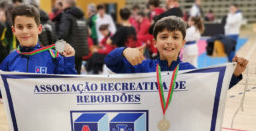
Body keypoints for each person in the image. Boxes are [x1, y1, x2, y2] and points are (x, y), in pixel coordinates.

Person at [0, 4, 77, 131]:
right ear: (14, 30)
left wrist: (68, 60)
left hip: (49, 127)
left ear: (39, 28)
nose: (25, 31)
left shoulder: (52, 55)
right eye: (20, 27)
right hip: (19, 128)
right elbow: (0, 92)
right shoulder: (10, 60)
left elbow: (68, 87)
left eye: (29, 26)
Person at [104, 16, 248, 89]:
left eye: (175, 37)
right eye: (164, 37)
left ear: (182, 43)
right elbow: (110, 62)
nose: (169, 42)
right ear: (155, 42)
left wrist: (235, 75)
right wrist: (123, 51)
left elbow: (213, 90)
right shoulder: (141, 66)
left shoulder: (189, 72)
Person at [57, 0, 89, 74]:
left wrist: (57, 44)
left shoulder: (67, 15)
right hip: (82, 49)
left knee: (69, 74)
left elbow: (63, 33)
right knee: (77, 73)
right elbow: (87, 32)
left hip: (70, 50)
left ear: (67, 4)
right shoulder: (82, 16)